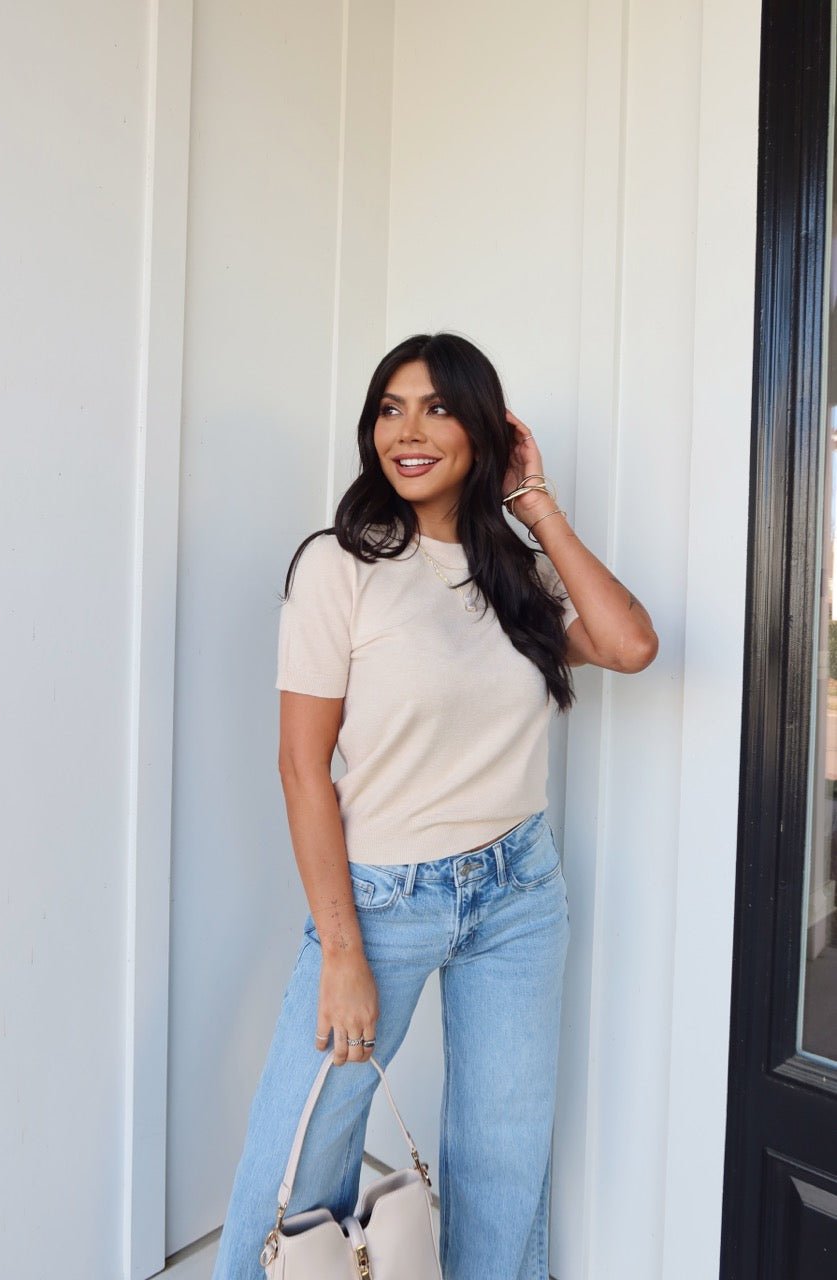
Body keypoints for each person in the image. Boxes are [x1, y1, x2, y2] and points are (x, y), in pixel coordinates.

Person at [212, 332, 658, 1279]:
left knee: (503, 1162)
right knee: (297, 1168)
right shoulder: (339, 567)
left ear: (486, 429)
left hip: (519, 894)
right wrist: (341, 953)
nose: (406, 432)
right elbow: (301, 769)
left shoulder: (514, 578)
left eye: (437, 408)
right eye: (389, 408)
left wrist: (534, 505)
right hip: (382, 903)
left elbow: (627, 645)